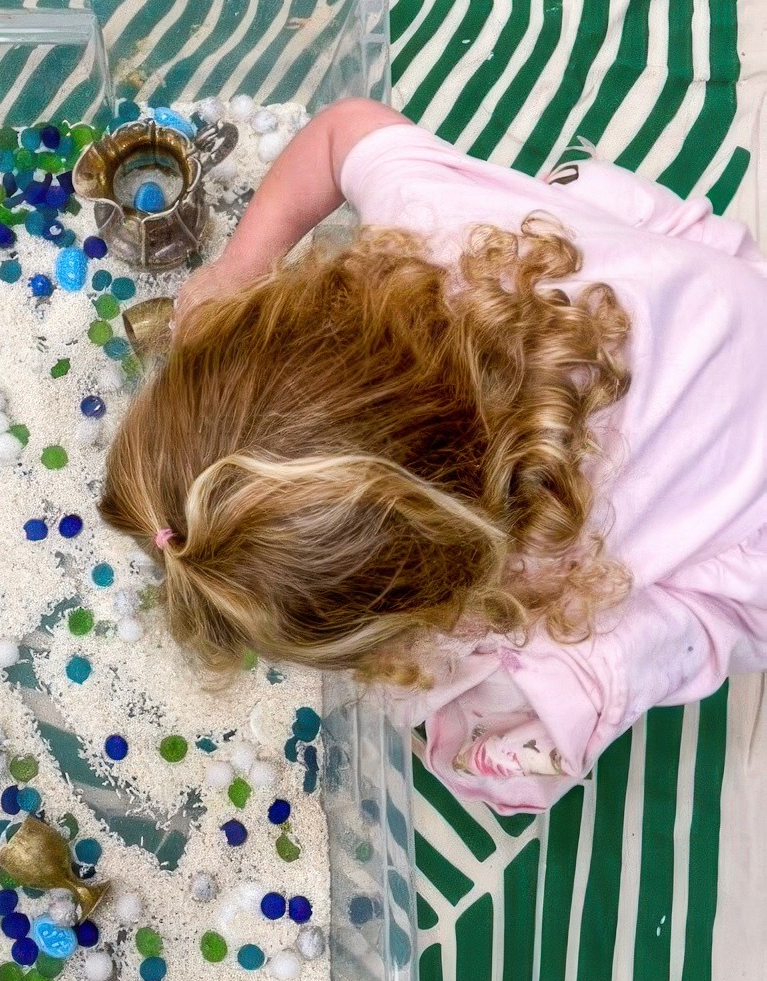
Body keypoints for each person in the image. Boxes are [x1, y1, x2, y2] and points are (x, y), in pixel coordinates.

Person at [98, 99, 767, 814]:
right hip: (696, 292)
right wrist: (240, 263)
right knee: (552, 217)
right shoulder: (432, 220)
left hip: (748, 504)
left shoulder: (546, 558)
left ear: (437, 581)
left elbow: (492, 628)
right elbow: (342, 130)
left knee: (536, 681)